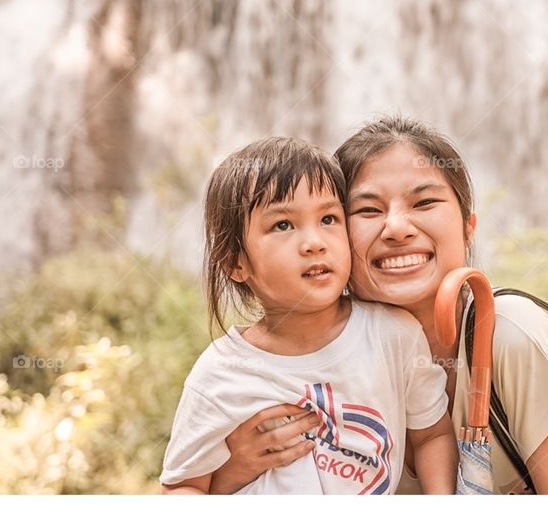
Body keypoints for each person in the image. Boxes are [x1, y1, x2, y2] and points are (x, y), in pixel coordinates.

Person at [211, 118, 548, 494]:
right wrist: (232, 473)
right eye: (367, 210)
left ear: (469, 226)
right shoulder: (307, 360)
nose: (398, 228)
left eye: (424, 203)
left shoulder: (511, 335)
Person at [159, 137, 457, 495]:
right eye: (283, 225)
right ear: (235, 262)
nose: (315, 242)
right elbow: (182, 488)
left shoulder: (394, 335)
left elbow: (431, 435)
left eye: (329, 218)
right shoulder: (220, 376)